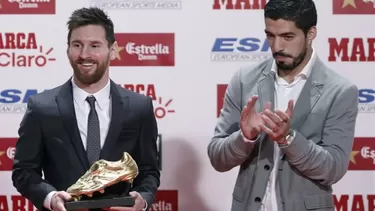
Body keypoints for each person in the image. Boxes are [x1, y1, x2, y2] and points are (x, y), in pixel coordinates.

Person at [207, 0, 359, 210]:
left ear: (311, 33)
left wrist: (288, 139)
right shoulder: (244, 80)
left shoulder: (340, 91)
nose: (277, 47)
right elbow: (217, 158)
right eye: (270, 35)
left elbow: (332, 169)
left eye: (288, 37)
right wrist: (244, 138)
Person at [11, 7, 160, 211]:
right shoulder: (41, 107)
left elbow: (149, 170)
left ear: (113, 49)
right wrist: (50, 196)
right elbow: (24, 171)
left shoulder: (139, 107)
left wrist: (142, 199)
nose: (84, 55)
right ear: (67, 49)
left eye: (94, 45)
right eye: (77, 45)